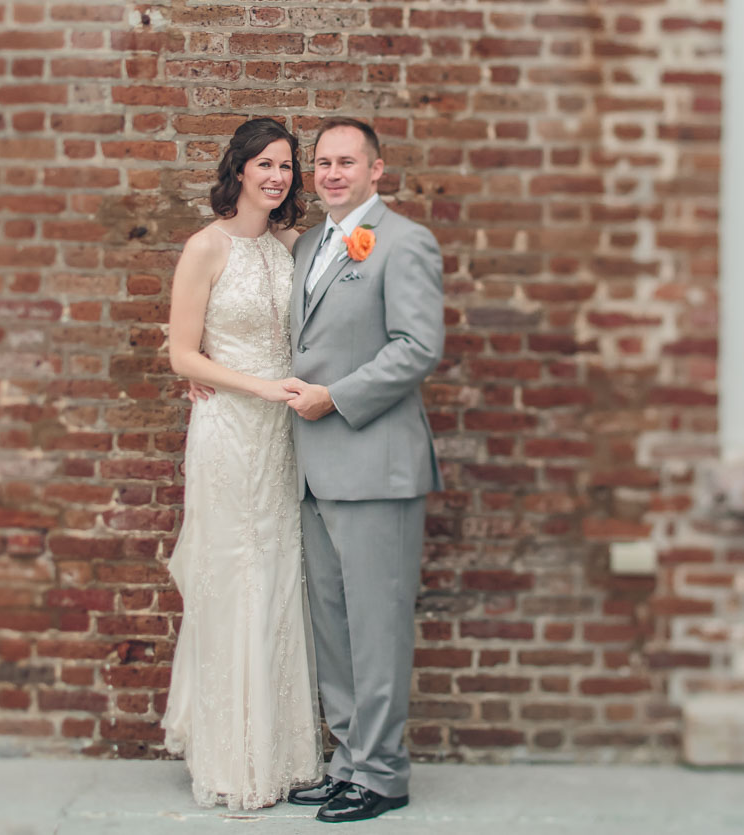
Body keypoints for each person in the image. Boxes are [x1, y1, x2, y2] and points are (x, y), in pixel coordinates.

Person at [280, 117, 444, 823]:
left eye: (348, 161)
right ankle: (347, 760)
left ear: (378, 170)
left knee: (377, 629)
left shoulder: (406, 242)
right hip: (314, 468)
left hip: (376, 464)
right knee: (335, 627)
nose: (332, 173)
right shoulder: (312, 242)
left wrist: (335, 398)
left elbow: (417, 347)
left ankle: (382, 774)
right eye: (323, 163)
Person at [159, 117, 321, 810]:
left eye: (286, 166)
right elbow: (182, 353)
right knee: (232, 575)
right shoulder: (205, 246)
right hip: (229, 427)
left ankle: (281, 751)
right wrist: (258, 385)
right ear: (240, 169)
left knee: (279, 574)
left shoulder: (293, 246)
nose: (277, 176)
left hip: (282, 439)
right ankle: (231, 756)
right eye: (265, 163)